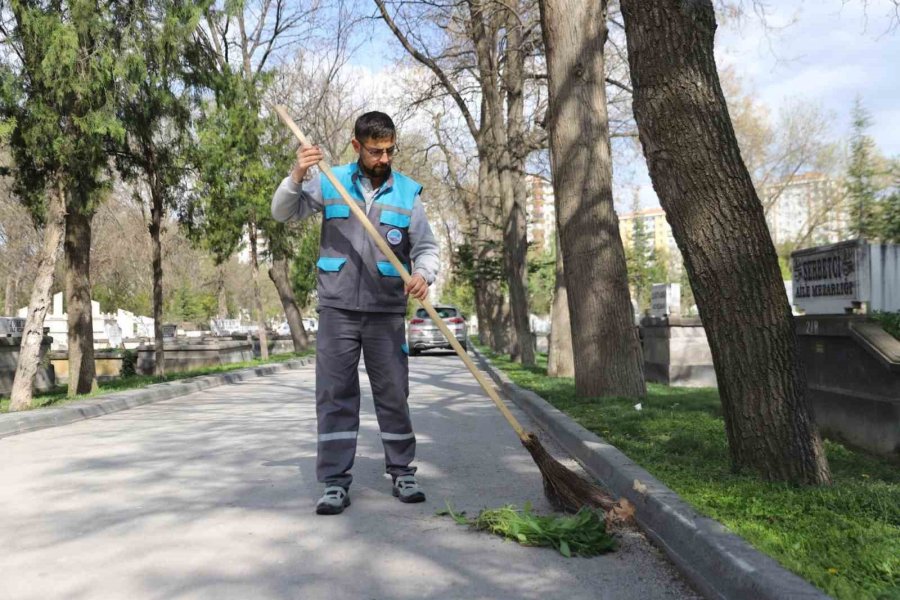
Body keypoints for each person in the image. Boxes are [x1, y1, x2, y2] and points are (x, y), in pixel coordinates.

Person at [271, 111, 440, 515]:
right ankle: (334, 482)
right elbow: (281, 212)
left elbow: (426, 248)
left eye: (389, 150)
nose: (384, 158)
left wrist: (422, 274)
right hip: (337, 308)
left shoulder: (406, 193)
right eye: (375, 151)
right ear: (356, 146)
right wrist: (297, 173)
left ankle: (402, 472)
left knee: (394, 393)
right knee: (335, 395)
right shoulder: (330, 181)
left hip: (385, 310)